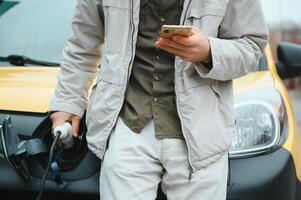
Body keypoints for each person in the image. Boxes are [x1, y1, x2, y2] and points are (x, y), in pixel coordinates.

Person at [49, 0, 269, 199]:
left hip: (203, 134)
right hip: (127, 126)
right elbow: (82, 45)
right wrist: (68, 102)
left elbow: (251, 46)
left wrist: (209, 52)